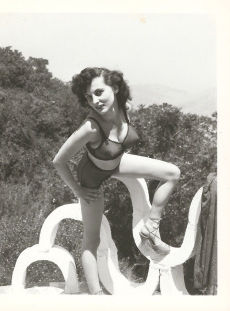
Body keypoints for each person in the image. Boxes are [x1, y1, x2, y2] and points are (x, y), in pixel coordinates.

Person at [53, 67, 180, 295]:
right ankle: (97, 296)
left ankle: (150, 228)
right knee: (91, 241)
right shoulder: (91, 128)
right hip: (91, 176)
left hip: (116, 162)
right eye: (89, 97)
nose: (95, 100)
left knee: (172, 173)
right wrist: (79, 191)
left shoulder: (125, 108)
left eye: (99, 92)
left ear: (116, 88)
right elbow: (58, 161)